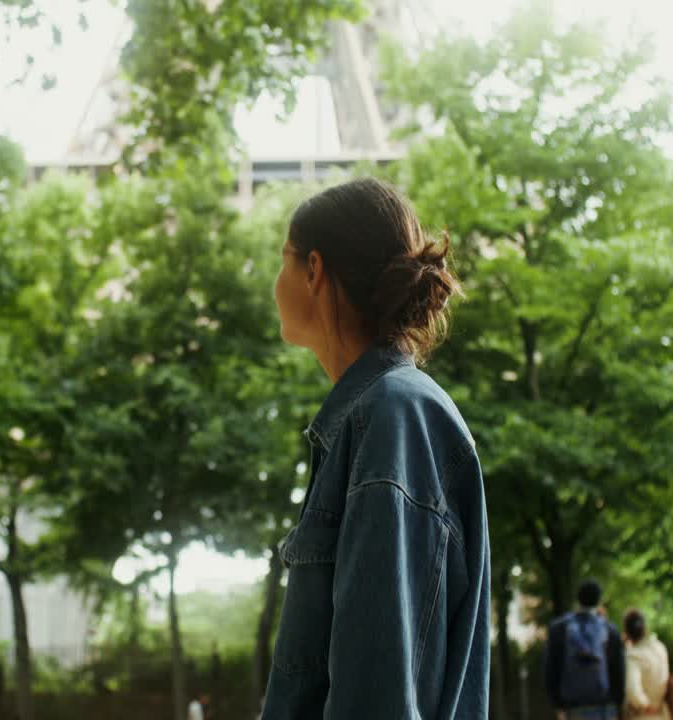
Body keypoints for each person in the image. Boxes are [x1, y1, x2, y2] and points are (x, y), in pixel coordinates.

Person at [258, 178, 490, 719]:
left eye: (282, 261)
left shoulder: (390, 417)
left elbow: (376, 692)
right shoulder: (385, 412)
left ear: (313, 269)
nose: (274, 283)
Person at [544, 580, 625, 719]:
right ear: (598, 600)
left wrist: (558, 704)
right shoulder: (610, 630)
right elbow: (619, 672)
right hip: (604, 707)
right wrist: (617, 704)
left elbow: (550, 670)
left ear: (578, 598)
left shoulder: (558, 628)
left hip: (572, 707)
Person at [621, 609, 670, 720]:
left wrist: (645, 705)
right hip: (662, 714)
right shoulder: (660, 648)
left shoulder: (633, 656)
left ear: (626, 632)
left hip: (642, 715)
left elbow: (633, 691)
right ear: (644, 627)